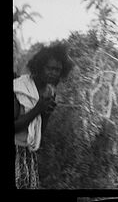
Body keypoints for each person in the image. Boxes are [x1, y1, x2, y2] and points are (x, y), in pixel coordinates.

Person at [13, 43, 74, 188]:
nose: (53, 73)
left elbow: (39, 132)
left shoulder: (49, 92)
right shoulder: (19, 88)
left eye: (58, 70)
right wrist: (37, 109)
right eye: (50, 68)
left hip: (28, 154)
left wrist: (46, 114)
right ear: (39, 67)